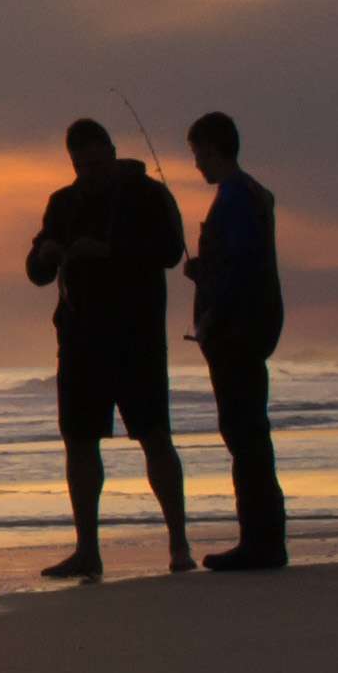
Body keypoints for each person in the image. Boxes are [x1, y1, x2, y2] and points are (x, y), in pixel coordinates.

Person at [25, 117, 189, 580]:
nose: (92, 172)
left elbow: (171, 251)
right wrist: (47, 254)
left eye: (99, 162)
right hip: (79, 339)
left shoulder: (147, 194)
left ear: (113, 151)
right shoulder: (62, 202)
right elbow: (35, 270)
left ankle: (179, 543)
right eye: (83, 166)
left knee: (154, 437)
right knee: (78, 442)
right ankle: (87, 550)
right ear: (72, 162)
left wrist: (110, 251)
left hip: (136, 338)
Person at [183, 109, 288, 569]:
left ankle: (261, 542)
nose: (196, 165)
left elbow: (240, 269)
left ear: (213, 148)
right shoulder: (251, 194)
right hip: (250, 327)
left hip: (237, 332)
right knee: (249, 434)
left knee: (244, 435)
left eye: (198, 154)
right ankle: (264, 538)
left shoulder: (235, 199)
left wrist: (212, 313)